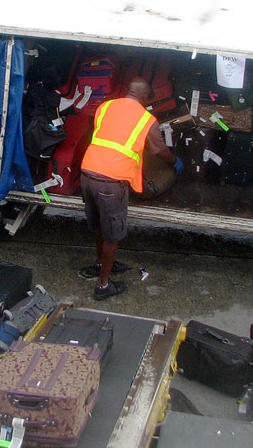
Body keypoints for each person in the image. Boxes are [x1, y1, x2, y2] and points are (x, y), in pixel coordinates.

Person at [78, 76, 184, 300]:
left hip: (88, 173)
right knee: (113, 235)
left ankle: (101, 264)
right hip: (111, 181)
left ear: (128, 91)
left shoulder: (105, 107)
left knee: (99, 226)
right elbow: (159, 151)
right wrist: (174, 162)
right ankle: (103, 286)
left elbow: (108, 134)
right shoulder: (147, 120)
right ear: (145, 97)